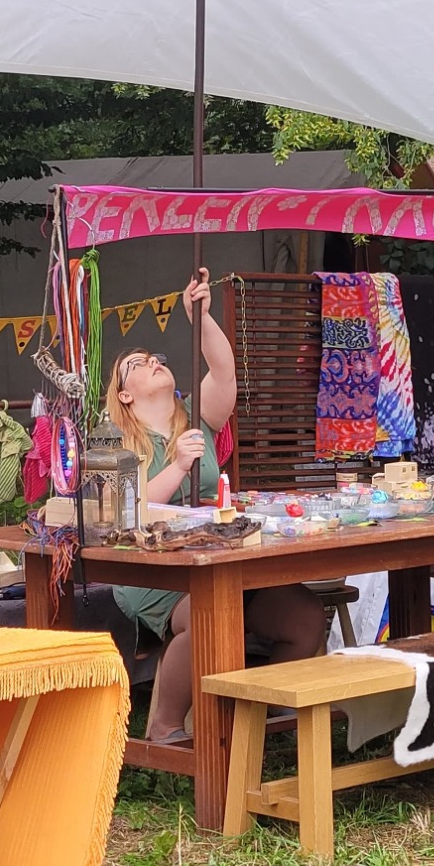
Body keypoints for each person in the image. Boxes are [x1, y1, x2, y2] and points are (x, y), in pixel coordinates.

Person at [108, 268, 327, 743]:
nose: (153, 362)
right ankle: (165, 726)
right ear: (124, 393)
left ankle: (261, 714)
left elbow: (224, 371)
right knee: (208, 613)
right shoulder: (113, 439)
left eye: (156, 357)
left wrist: (202, 316)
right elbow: (125, 509)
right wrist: (177, 466)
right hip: (152, 569)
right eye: (138, 364)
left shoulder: (197, 416)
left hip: (219, 558)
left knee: (305, 616)